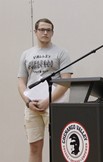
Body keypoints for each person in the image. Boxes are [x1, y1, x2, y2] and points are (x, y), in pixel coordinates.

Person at [17, 18, 73, 162]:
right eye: (42, 29)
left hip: (54, 104)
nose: (45, 32)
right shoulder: (26, 54)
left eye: (48, 30)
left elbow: (66, 82)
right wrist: (28, 102)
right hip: (32, 106)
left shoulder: (61, 52)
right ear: (35, 32)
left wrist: (47, 101)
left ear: (52, 32)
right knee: (34, 147)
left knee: (59, 146)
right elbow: (21, 82)